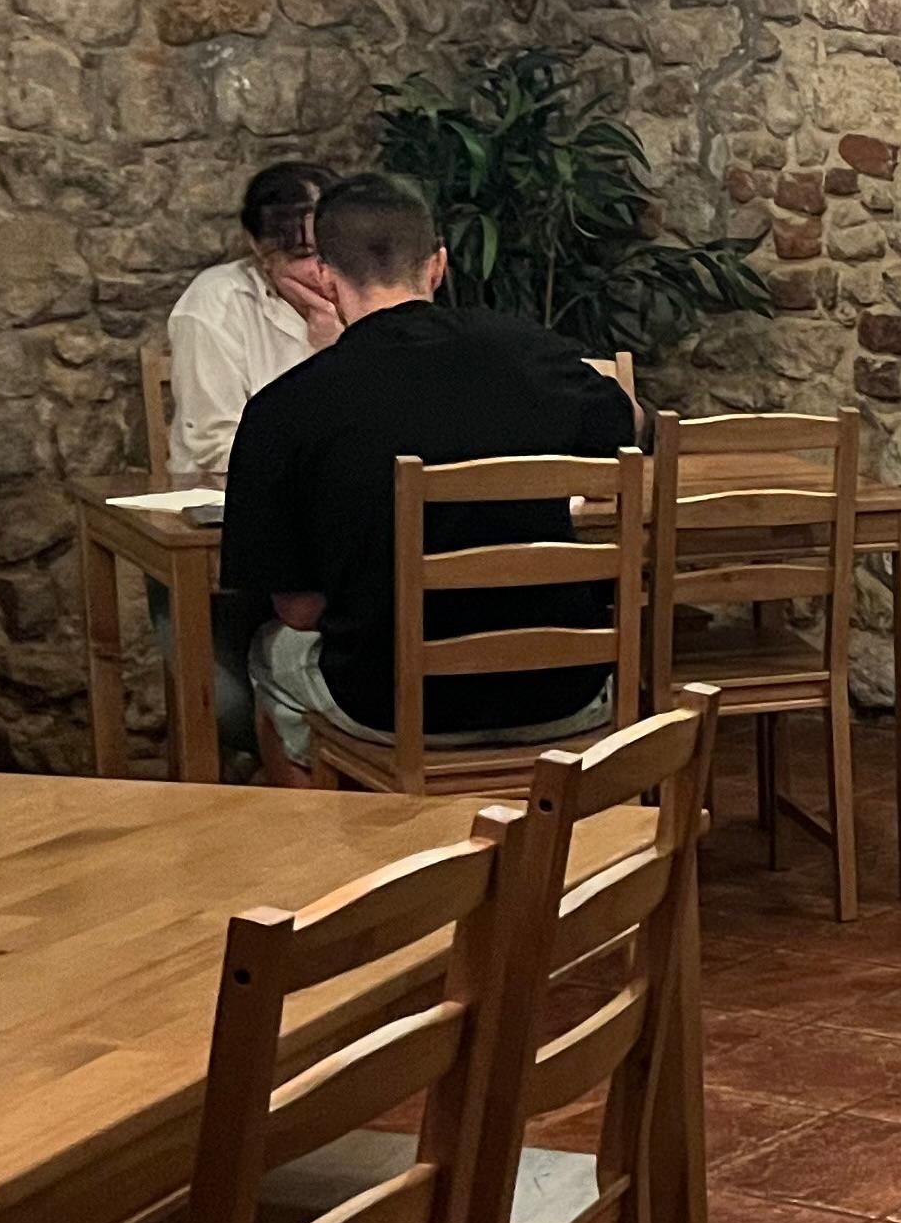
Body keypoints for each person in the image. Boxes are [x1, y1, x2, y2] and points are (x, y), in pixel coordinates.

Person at [225, 169, 639, 770]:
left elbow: (300, 611)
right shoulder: (528, 353)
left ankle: (330, 828)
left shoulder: (284, 407)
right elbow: (631, 423)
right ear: (438, 265)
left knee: (270, 653)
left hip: (388, 705)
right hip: (565, 689)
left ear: (327, 280)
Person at [163, 161, 341, 477]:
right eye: (302, 255)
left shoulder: (364, 287)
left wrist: (341, 346)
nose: (321, 272)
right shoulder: (216, 302)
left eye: (333, 250)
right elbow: (217, 445)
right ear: (257, 245)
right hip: (228, 490)